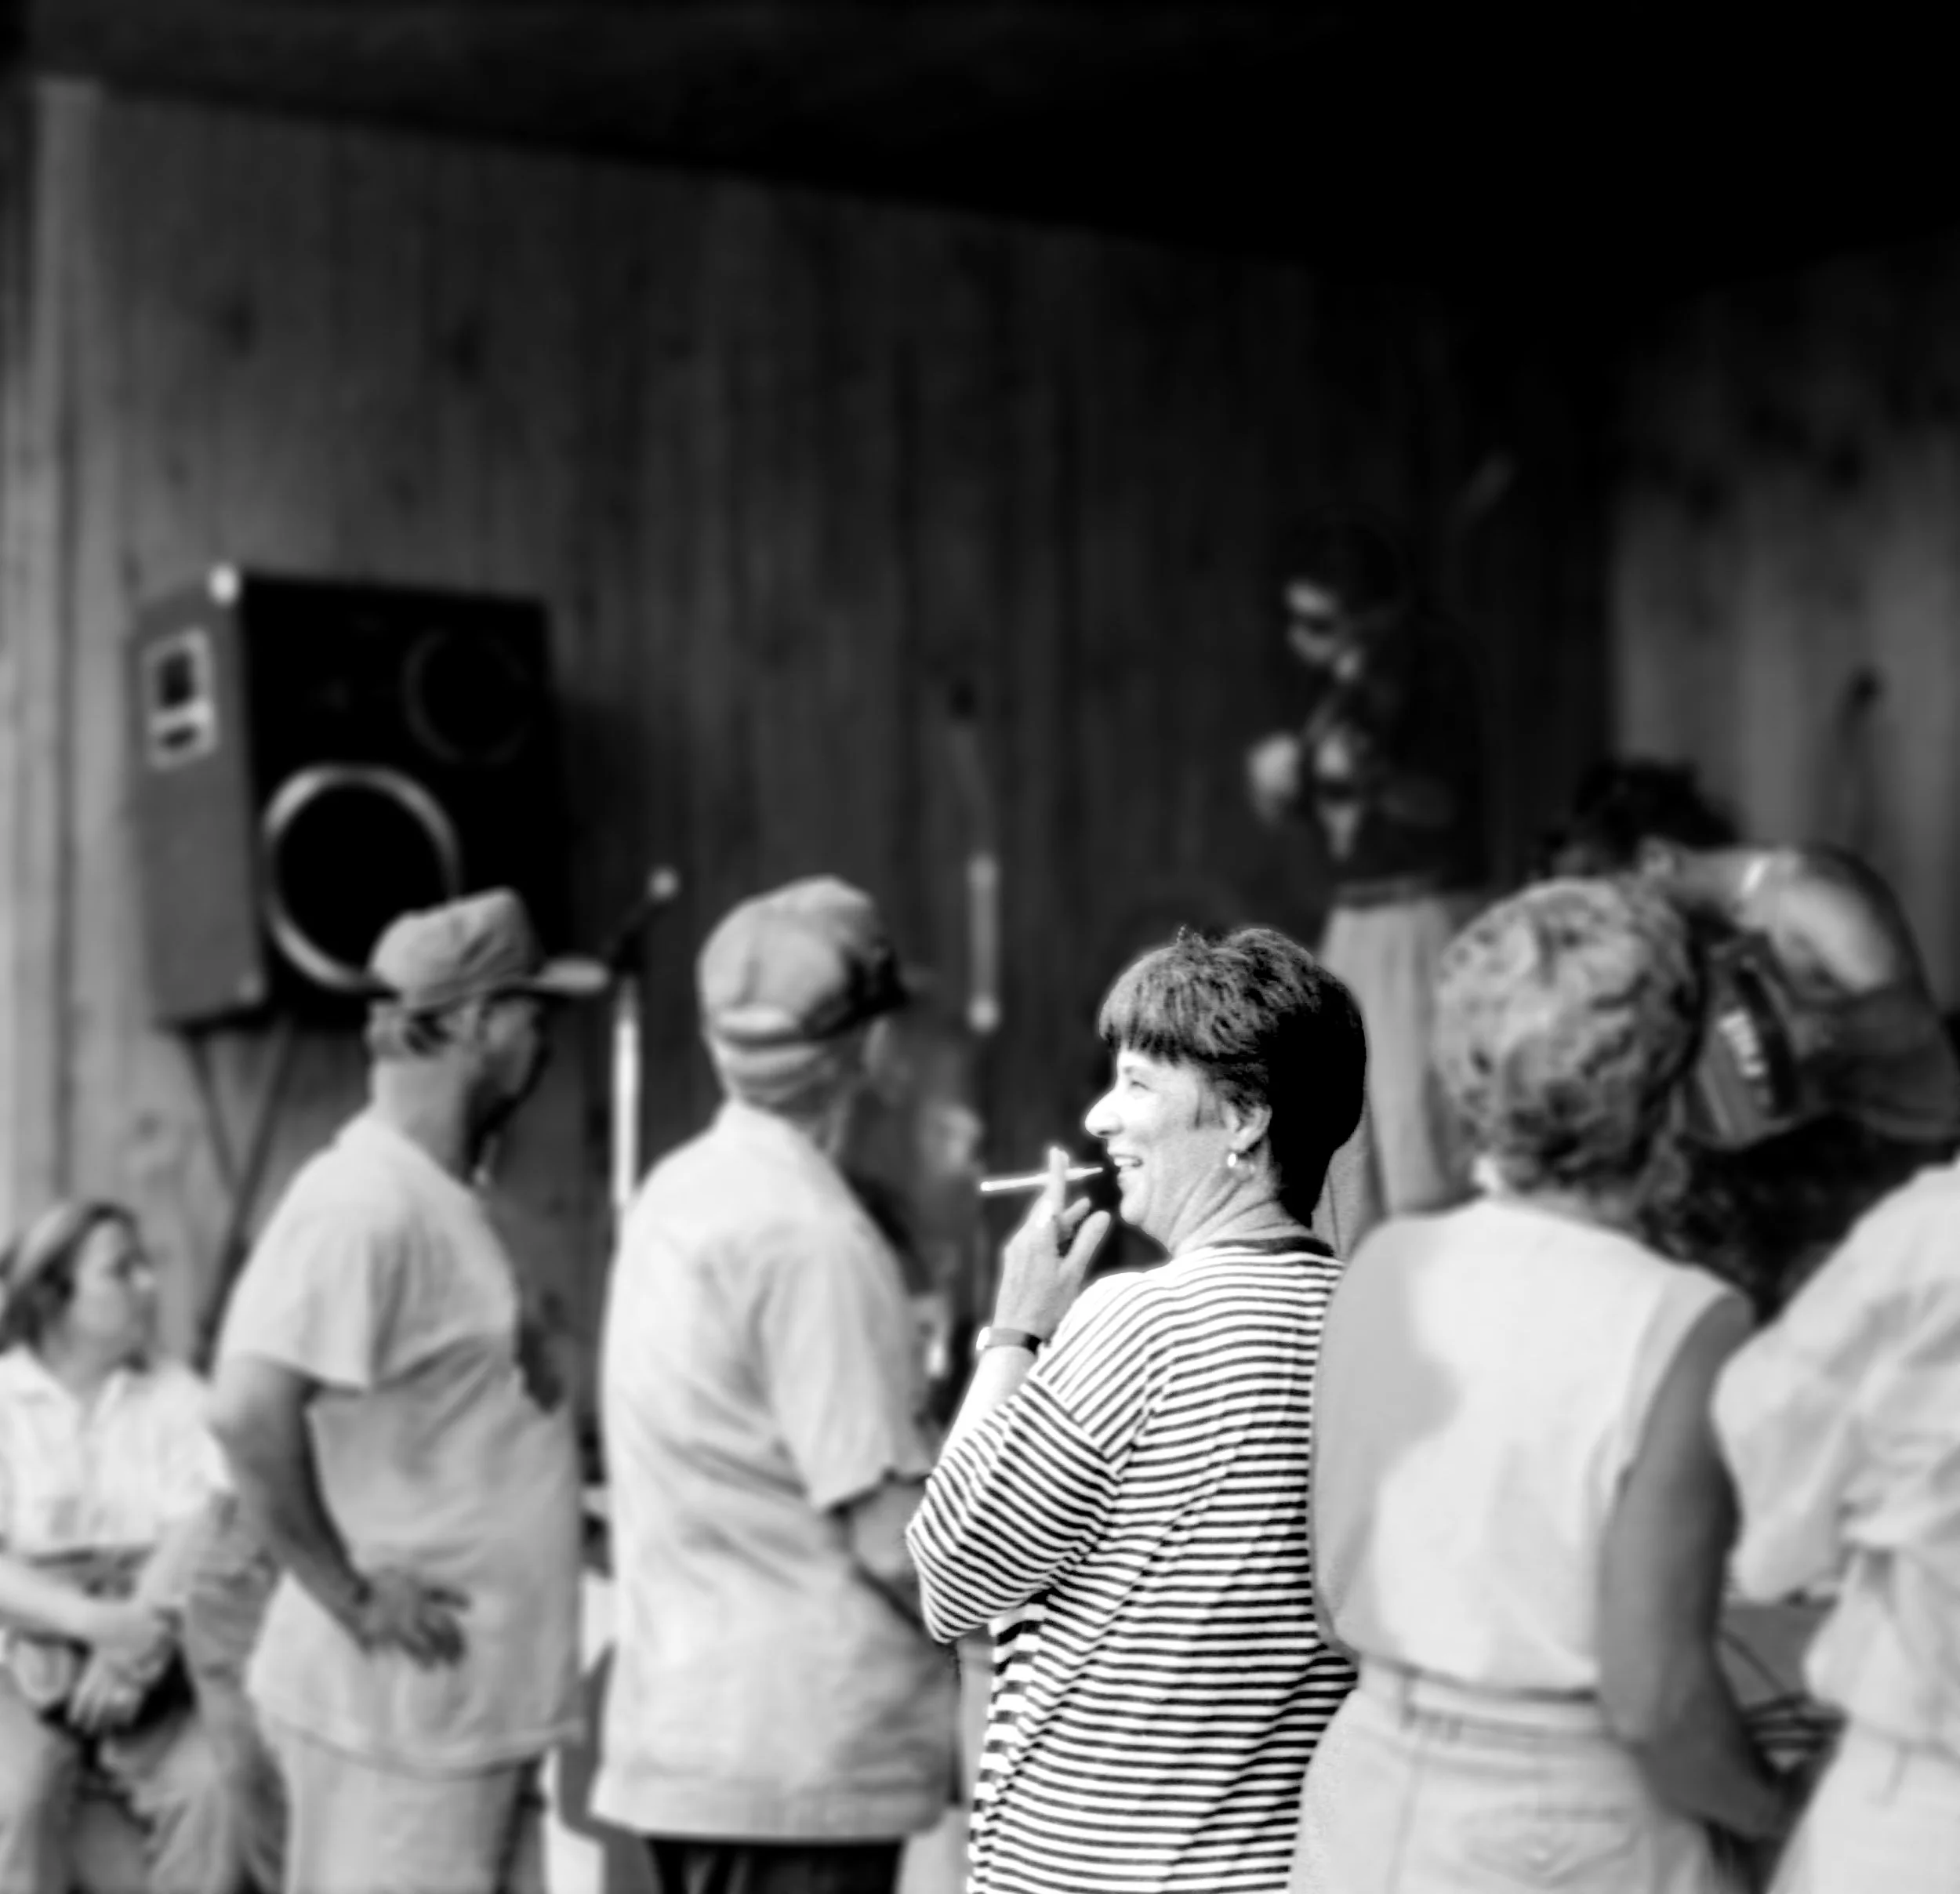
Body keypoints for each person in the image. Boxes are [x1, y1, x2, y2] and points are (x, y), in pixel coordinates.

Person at [1295, 878, 1805, 1893]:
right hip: (1564, 1826)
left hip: (1363, 1790)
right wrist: (1780, 1817)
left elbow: (1327, 1597)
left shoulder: (1383, 1268)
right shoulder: (1682, 1321)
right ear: (1668, 1089)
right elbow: (1657, 1701)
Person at [906, 925, 1367, 1893]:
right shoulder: (1367, 1328)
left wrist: (1016, 1330)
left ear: (1244, 1114)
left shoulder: (1139, 1321)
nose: (1101, 1116)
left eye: (1138, 1084)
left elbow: (949, 1574)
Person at [206, 887, 605, 1894]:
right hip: (392, 1730)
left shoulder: (439, 1195)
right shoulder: (361, 1202)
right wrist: (348, 1594)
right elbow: (246, 1410)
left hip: (464, 1722)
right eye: (531, 1012)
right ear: (474, 1022)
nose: (543, 1040)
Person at [593, 876, 958, 1894]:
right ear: (866, 1049)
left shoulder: (674, 1193)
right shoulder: (816, 1237)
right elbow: (893, 1539)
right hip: (796, 1757)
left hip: (689, 1737)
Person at [1245, 504, 1486, 1253]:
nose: (1301, 643)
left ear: (1370, 617)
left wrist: (1371, 776)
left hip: (1421, 917)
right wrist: (1283, 781)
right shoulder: (1335, 686)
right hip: (1355, 922)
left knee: (1419, 1135)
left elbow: (1445, 801)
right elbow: (1305, 806)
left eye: (1318, 625)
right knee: (1339, 1135)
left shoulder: (1431, 669)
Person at [0, 1199, 243, 1894]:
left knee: (214, 1787)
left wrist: (137, 1641)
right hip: (17, 1664)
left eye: (147, 1266)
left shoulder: (176, 1396)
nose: (149, 1284)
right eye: (121, 1270)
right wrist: (96, 1623)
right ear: (54, 1294)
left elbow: (203, 1526)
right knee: (16, 1793)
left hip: (154, 1658)